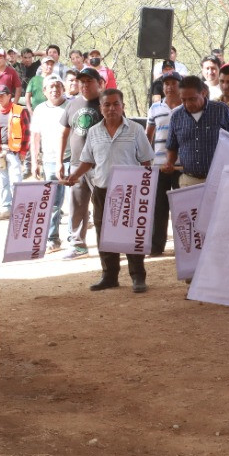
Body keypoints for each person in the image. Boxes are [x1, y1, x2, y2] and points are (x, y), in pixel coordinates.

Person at [64, 88, 155, 293]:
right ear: (101, 108)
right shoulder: (94, 131)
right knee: (104, 234)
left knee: (131, 235)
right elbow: (87, 160)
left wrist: (145, 190)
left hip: (130, 193)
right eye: (107, 105)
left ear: (123, 106)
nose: (111, 108)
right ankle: (109, 276)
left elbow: (146, 161)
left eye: (116, 104)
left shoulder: (135, 130)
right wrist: (75, 175)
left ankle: (138, 277)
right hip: (102, 190)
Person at [58, 69, 105, 259]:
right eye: (81, 82)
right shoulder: (72, 104)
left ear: (98, 82)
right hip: (76, 164)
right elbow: (63, 133)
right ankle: (78, 244)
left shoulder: (107, 102)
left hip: (99, 164)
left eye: (88, 81)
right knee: (77, 205)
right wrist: (60, 161)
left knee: (103, 205)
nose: (84, 85)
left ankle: (108, 244)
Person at [162, 74, 229, 188]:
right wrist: (169, 162)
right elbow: (172, 146)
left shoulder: (221, 110)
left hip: (218, 179)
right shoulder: (176, 116)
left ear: (203, 93)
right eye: (183, 100)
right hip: (188, 180)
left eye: (192, 99)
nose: (188, 104)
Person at [146, 72, 182, 256]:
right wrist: (145, 159)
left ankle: (183, 246)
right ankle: (155, 246)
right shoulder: (154, 108)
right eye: (166, 83)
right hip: (159, 165)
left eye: (173, 83)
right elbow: (148, 135)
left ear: (179, 85)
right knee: (158, 206)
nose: (169, 87)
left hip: (181, 165)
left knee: (181, 207)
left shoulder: (186, 107)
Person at [34, 76, 71, 249]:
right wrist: (35, 161)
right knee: (53, 202)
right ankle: (52, 239)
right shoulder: (40, 109)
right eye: (51, 87)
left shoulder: (71, 105)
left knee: (75, 201)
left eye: (58, 86)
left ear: (63, 88)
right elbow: (35, 136)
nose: (55, 89)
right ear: (44, 91)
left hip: (71, 158)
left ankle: (74, 237)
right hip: (48, 160)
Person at [0, 88, 30, 216]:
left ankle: (19, 208)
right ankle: (6, 208)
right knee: (3, 182)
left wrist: (24, 151)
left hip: (14, 152)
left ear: (9, 95)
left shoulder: (19, 111)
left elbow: (27, 132)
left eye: (2, 96)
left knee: (16, 181)